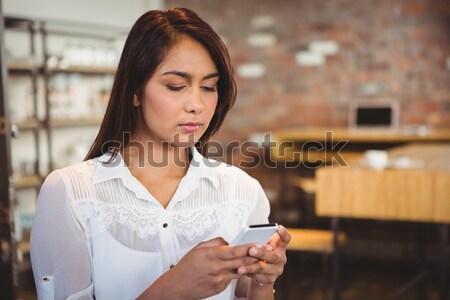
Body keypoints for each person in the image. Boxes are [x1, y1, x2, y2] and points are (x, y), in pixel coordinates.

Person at [30, 7, 291, 300]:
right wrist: (172, 288)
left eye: (209, 87)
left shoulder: (242, 191)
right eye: (176, 86)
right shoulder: (71, 193)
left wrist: (262, 282)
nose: (197, 104)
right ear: (135, 91)